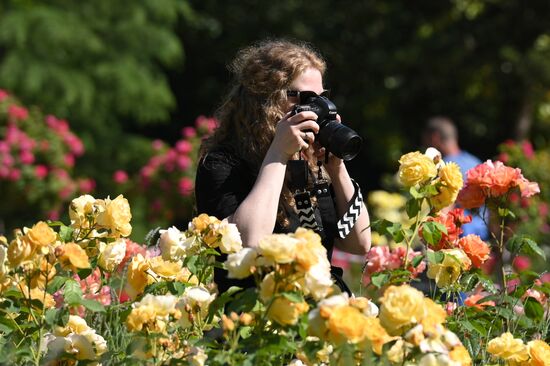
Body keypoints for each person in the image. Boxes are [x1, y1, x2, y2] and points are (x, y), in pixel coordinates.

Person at [194, 39, 371, 294]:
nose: (319, 108)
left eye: (322, 98)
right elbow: (249, 242)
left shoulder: (311, 163)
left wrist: (336, 167)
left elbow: (360, 242)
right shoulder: (223, 164)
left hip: (316, 312)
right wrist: (279, 152)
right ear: (265, 101)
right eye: (306, 98)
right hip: (253, 318)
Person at [423, 116, 489, 240]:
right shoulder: (475, 162)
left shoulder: (443, 167)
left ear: (435, 137)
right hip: (482, 238)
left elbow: (444, 210)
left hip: (457, 239)